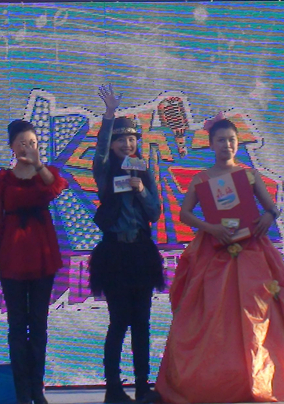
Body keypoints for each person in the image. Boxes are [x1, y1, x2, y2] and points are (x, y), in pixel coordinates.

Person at [154, 115, 284, 403]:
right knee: (212, 312)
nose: (227, 145)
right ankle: (215, 380)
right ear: (211, 144)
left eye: (232, 140)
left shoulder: (248, 175)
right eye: (221, 140)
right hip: (214, 251)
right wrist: (211, 228)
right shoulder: (202, 179)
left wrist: (267, 218)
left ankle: (263, 377)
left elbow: (272, 208)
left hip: (251, 252)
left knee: (258, 311)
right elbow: (185, 214)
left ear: (238, 143)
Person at [88, 84, 165, 403]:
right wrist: (109, 115)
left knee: (142, 323)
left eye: (132, 139)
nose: (127, 143)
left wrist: (142, 191)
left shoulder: (143, 170)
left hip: (141, 254)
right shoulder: (104, 170)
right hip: (114, 254)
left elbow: (155, 212)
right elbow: (100, 152)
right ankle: (113, 388)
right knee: (119, 321)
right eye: (121, 139)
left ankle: (143, 386)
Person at [0, 119, 68, 404]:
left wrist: (38, 164)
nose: (27, 147)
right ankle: (22, 392)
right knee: (17, 327)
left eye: (32, 142)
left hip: (42, 253)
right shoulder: (3, 179)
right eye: (22, 142)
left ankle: (37, 389)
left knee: (39, 325)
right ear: (11, 146)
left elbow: (57, 188)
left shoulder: (46, 174)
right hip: (12, 254)